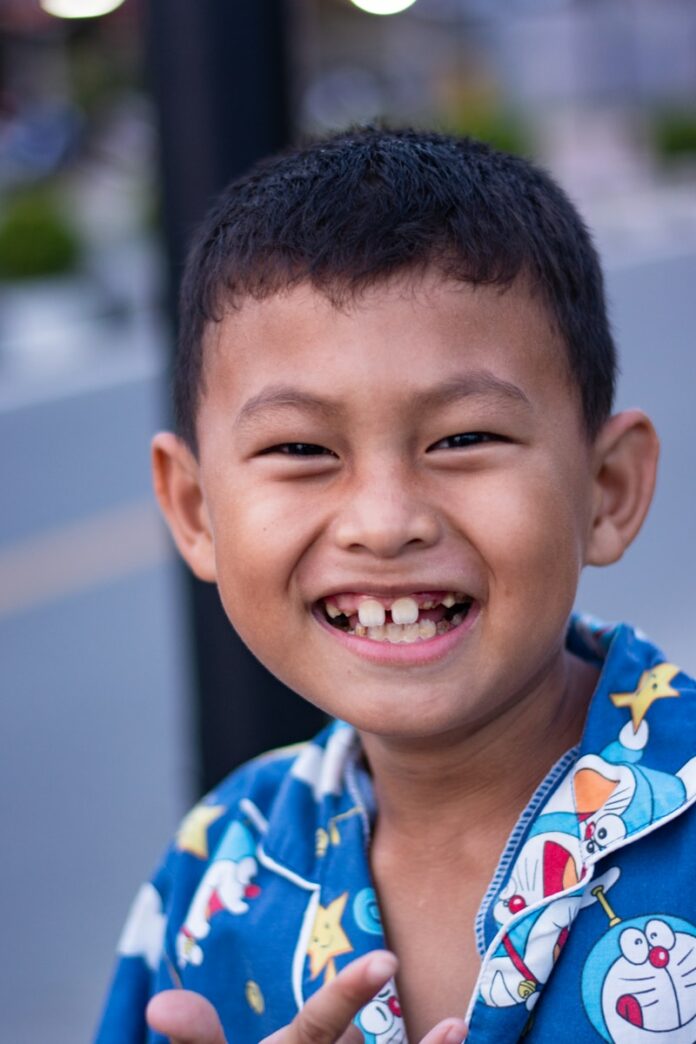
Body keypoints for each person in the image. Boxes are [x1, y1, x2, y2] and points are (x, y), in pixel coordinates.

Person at [95, 128, 696, 1044]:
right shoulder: (218, 870)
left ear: (607, 489)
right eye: (301, 450)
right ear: (195, 509)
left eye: (463, 439)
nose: (385, 520)